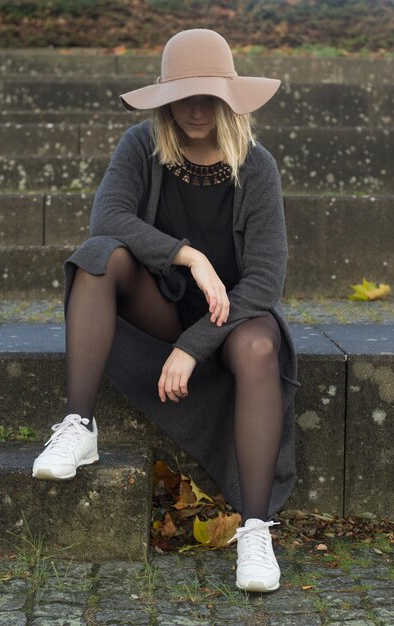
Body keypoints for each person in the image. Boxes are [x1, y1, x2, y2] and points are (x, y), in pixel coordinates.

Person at [32, 29, 300, 593]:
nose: (197, 108)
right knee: (98, 256)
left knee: (259, 344)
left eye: (209, 95)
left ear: (229, 96)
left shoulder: (257, 166)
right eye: (185, 94)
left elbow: (265, 282)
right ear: (165, 98)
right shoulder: (141, 147)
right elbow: (107, 218)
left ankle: (254, 530)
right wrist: (189, 256)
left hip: (234, 322)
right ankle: (79, 425)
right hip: (163, 302)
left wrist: (192, 344)